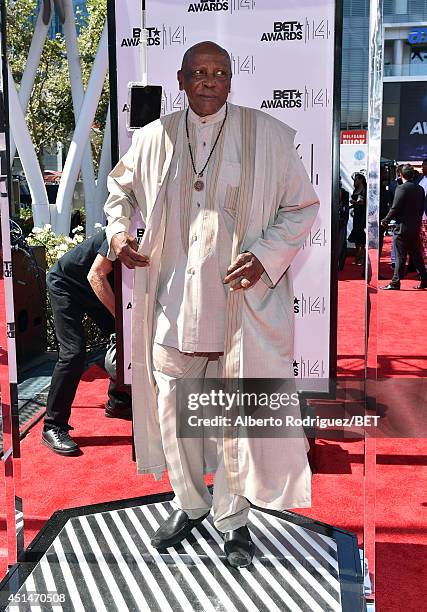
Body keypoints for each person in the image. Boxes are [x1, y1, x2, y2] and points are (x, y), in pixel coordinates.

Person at [104, 41, 319, 567]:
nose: (208, 81)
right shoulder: (153, 138)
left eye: (218, 72)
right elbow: (119, 191)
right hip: (173, 304)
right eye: (198, 72)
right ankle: (189, 502)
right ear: (180, 79)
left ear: (230, 79)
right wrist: (117, 234)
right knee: (175, 412)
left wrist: (265, 256)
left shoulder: (264, 134)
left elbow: (302, 207)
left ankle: (233, 517)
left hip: (238, 305)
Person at [42, 230, 132, 456]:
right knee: (73, 352)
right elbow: (95, 276)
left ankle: (118, 401)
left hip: (95, 287)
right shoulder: (121, 230)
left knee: (124, 340)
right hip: (67, 283)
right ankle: (53, 426)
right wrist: (124, 321)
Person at [381, 164, 427, 290]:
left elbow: (395, 208)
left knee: (400, 255)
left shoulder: (401, 188)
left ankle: (395, 282)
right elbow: (420, 208)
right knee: (416, 255)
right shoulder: (420, 189)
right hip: (414, 227)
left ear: (401, 175)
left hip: (402, 228)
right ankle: (425, 278)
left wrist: (385, 221)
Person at [347, 172, 367, 265]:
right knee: (356, 236)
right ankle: (358, 255)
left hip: (362, 215)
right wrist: (350, 207)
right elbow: (356, 203)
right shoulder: (356, 189)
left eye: (357, 179)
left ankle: (361, 257)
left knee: (361, 236)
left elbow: (362, 203)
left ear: (361, 180)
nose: (355, 181)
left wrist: (354, 202)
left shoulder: (364, 190)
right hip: (357, 214)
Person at [338, 177, 349, 270]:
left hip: (342, 220)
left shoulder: (345, 193)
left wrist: (345, 219)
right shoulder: (329, 191)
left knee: (342, 241)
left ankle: (340, 263)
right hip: (335, 219)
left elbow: (346, 207)